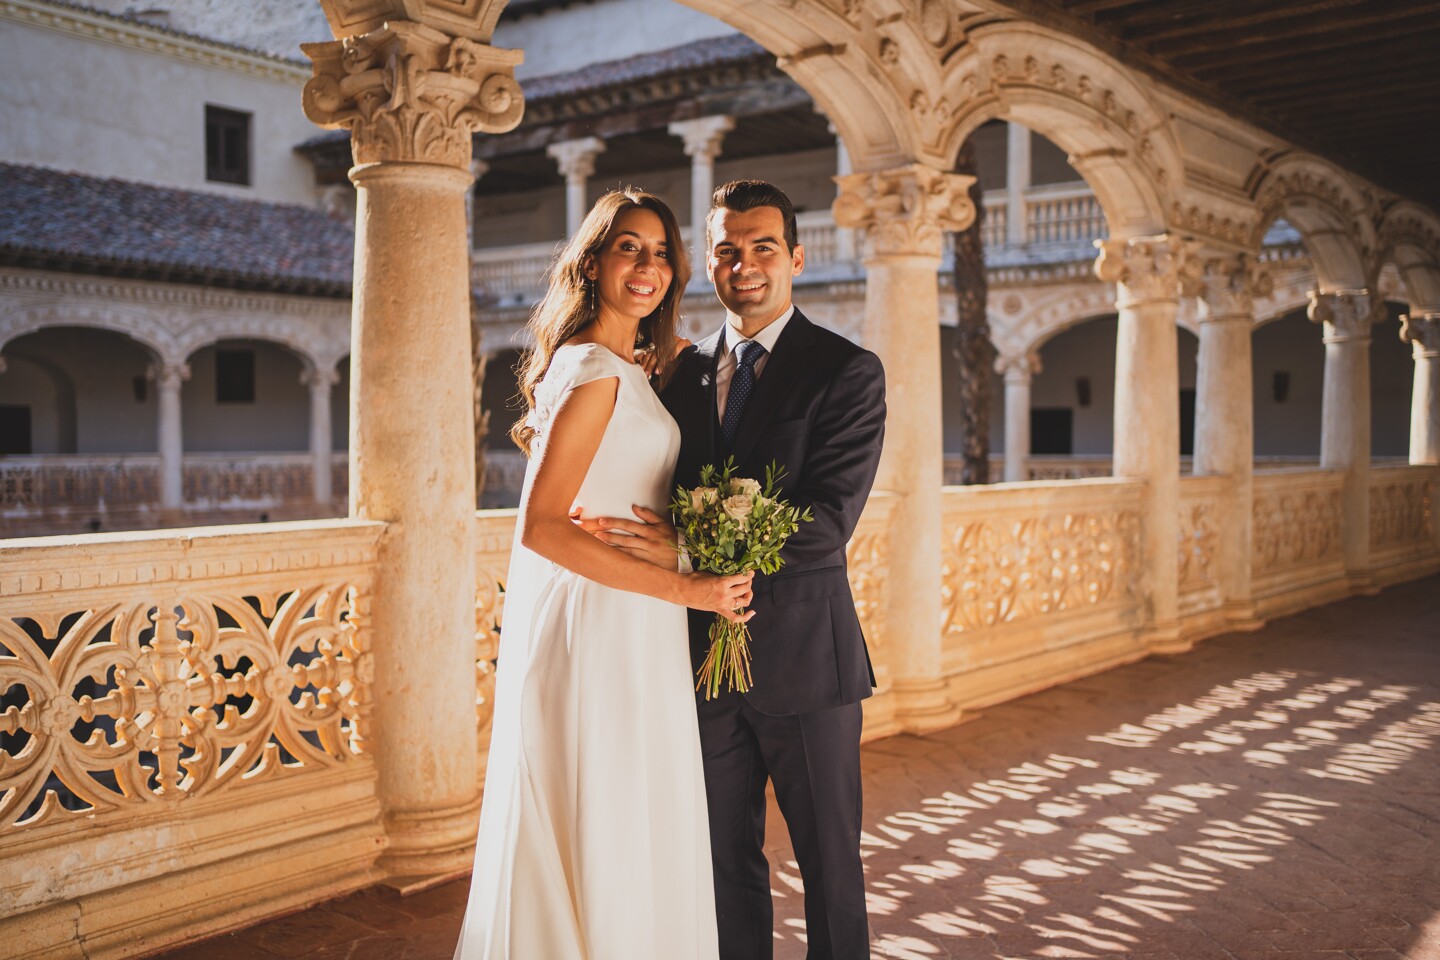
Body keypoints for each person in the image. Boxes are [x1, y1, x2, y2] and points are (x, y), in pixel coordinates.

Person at [454, 188, 754, 960]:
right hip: (602, 624)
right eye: (629, 247)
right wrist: (689, 588)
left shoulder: (624, 367)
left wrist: (686, 549)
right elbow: (543, 527)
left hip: (634, 619)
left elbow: (620, 496)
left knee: (628, 810)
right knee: (611, 811)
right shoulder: (593, 371)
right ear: (593, 262)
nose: (647, 265)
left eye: (660, 252)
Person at [594, 180, 886, 960]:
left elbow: (825, 527)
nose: (744, 264)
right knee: (722, 866)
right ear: (711, 264)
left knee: (830, 868)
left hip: (806, 665)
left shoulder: (847, 371)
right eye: (727, 250)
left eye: (762, 247)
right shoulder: (679, 377)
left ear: (795, 256)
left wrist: (686, 549)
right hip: (699, 667)